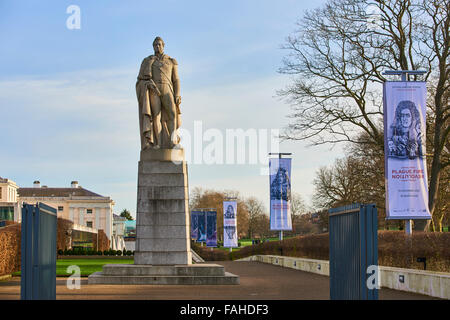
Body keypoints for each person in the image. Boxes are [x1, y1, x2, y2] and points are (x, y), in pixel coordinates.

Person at [136, 36, 182, 150]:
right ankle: (158, 144)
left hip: (167, 88)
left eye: (159, 44)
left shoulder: (171, 61)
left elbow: (176, 79)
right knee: (156, 116)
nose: (157, 47)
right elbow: (141, 79)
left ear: (163, 45)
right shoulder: (148, 61)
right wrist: (147, 84)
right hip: (154, 90)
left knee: (172, 114)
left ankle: (172, 142)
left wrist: (177, 94)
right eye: (155, 45)